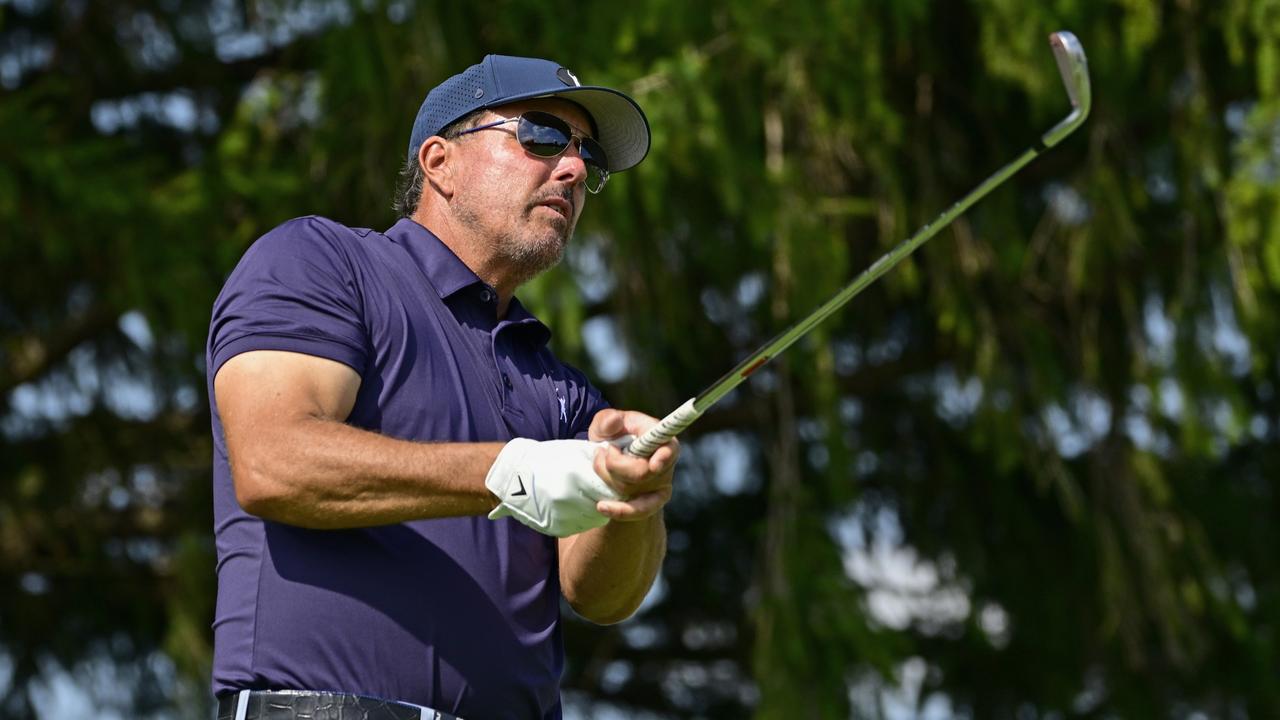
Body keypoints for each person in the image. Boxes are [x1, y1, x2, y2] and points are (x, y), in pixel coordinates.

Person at [206, 55, 679, 720]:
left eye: (587, 156)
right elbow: (273, 463)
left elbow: (601, 595)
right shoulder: (323, 262)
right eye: (541, 135)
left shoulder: (561, 387)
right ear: (438, 161)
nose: (572, 170)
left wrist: (633, 495)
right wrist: (512, 469)